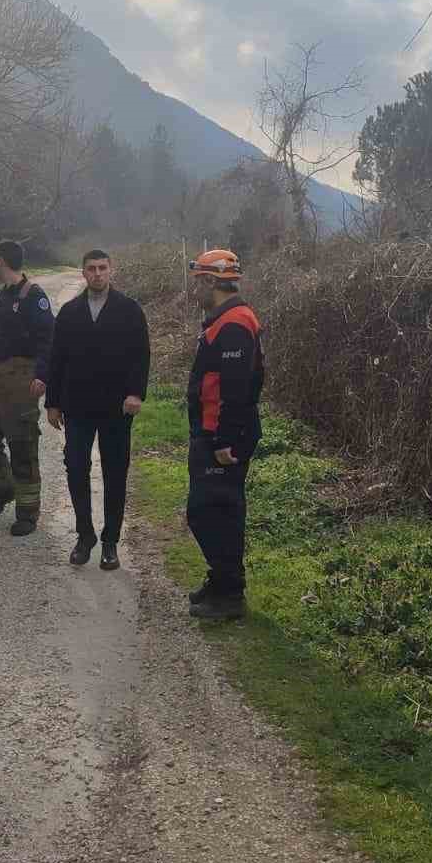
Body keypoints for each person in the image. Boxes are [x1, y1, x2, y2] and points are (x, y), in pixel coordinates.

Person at [46, 249, 150, 570]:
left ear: (111, 270)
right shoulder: (69, 312)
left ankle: (110, 541)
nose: (97, 273)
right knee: (76, 467)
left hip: (116, 407)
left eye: (102, 268)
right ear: (83, 273)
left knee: (115, 473)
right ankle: (85, 535)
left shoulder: (129, 310)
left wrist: (136, 393)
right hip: (77, 406)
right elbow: (57, 359)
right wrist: (52, 402)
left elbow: (141, 355)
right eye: (91, 268)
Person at [184, 248, 263, 621]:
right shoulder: (224, 320)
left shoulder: (234, 324)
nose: (195, 290)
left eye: (198, 282)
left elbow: (236, 390)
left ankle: (230, 593)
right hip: (212, 431)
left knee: (212, 512)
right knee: (212, 510)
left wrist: (225, 440)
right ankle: (220, 581)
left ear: (210, 281)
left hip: (222, 437)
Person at [0, 239, 54, 536]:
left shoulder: (34, 296)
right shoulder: (1, 295)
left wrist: (42, 375)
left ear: (1, 261)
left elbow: (49, 339)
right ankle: (3, 489)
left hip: (21, 377)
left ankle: (28, 513)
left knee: (21, 444)